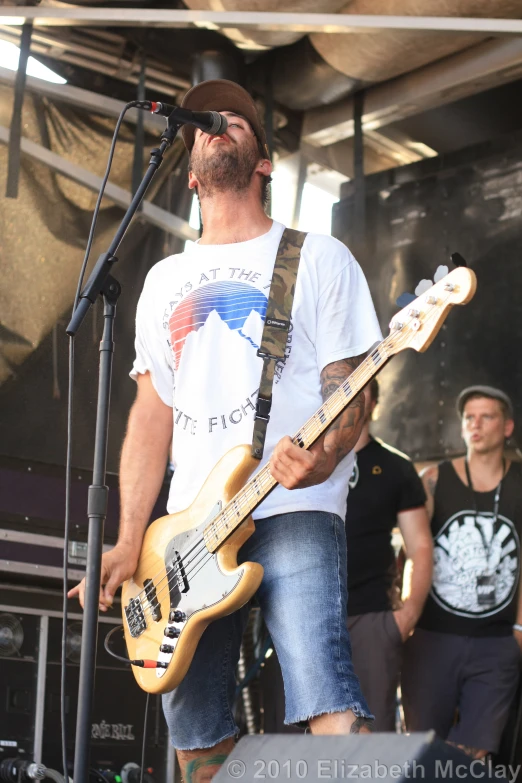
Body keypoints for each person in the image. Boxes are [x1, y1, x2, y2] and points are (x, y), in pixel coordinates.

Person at [69, 79, 382, 782]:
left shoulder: (318, 258)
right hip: (187, 531)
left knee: (322, 684)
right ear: (187, 168)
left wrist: (326, 456)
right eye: (208, 122)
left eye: (235, 119)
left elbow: (355, 387)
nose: (218, 124)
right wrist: (125, 539)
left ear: (263, 161)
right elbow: (151, 417)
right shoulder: (162, 280)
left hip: (293, 503)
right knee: (195, 728)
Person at [402, 385, 522, 759]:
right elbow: (411, 553)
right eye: (469, 417)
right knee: (423, 751)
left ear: (507, 427)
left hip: (496, 642)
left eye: (487, 417)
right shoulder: (434, 479)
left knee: (476, 754)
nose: (476, 425)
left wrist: (519, 631)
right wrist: (407, 616)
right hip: (433, 639)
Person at [345, 378, 433, 731]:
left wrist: (407, 616)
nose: (351, 399)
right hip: (305, 619)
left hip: (372, 620)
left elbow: (421, 546)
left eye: (362, 392)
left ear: (375, 405)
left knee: (371, 742)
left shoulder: (395, 467)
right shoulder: (305, 463)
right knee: (293, 747)